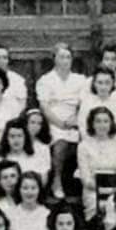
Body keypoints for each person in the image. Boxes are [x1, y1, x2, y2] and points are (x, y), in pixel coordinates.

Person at [36, 43, 88, 198]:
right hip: (54, 121)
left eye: (68, 57)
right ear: (54, 59)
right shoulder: (46, 80)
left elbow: (84, 103)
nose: (65, 61)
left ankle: (83, 179)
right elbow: (44, 107)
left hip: (75, 118)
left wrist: (75, 119)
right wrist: (61, 123)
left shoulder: (80, 79)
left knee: (86, 139)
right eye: (61, 57)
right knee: (60, 141)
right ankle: (56, 180)